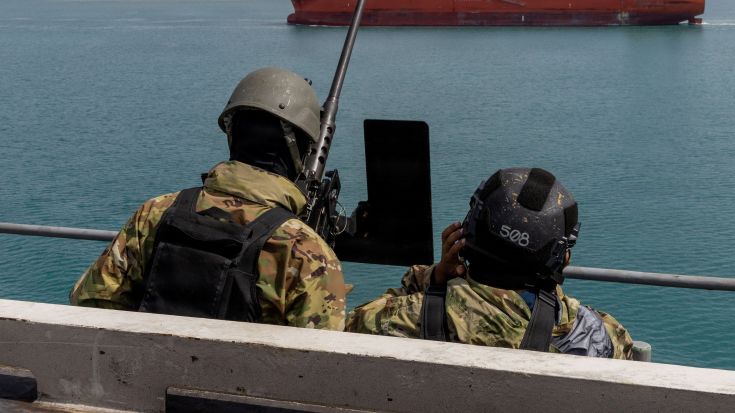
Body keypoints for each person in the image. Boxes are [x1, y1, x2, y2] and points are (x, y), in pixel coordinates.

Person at [70, 67, 347, 329]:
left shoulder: (155, 213)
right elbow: (323, 361)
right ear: (299, 149)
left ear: (231, 132)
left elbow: (89, 300)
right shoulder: (305, 251)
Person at [346, 167, 633, 357]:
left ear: (465, 233)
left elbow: (342, 331)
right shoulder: (601, 336)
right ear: (562, 257)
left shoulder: (400, 319)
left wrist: (434, 279)